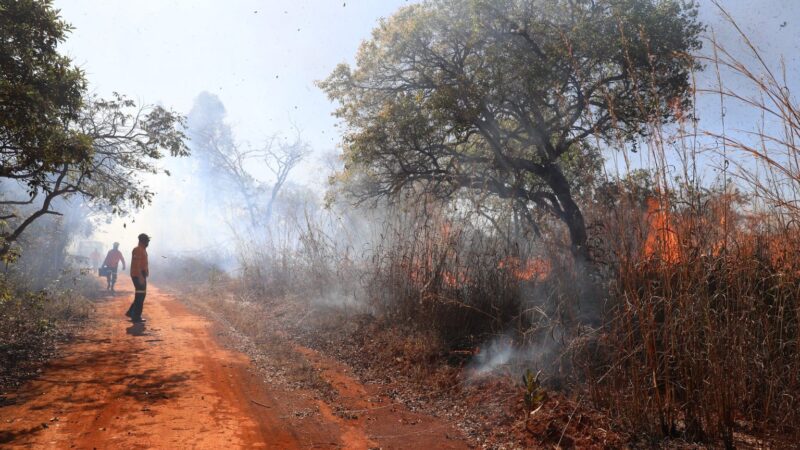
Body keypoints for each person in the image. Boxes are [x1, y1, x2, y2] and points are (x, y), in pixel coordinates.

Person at [125, 233, 150, 323]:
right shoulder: (138, 250)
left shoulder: (142, 249)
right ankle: (136, 316)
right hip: (137, 275)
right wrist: (140, 276)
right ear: (143, 241)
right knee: (140, 295)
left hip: (140, 274)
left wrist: (146, 272)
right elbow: (137, 264)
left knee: (140, 295)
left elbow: (144, 263)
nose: (148, 243)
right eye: (147, 241)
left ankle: (131, 312)